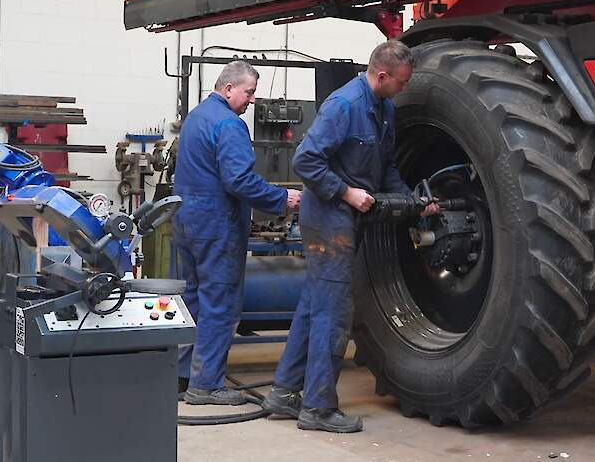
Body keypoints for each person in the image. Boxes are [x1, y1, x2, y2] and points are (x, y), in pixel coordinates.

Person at [263, 40, 439, 432]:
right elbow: (305, 161)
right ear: (381, 75)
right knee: (334, 313)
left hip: (347, 218)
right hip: (328, 218)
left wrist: (412, 201)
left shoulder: (384, 109)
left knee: (314, 305)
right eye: (401, 82)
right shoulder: (343, 106)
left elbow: (385, 166)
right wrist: (345, 192)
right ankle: (318, 409)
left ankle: (285, 392)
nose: (404, 89)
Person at [173, 60, 302, 405]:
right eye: (249, 92)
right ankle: (207, 386)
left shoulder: (196, 118)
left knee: (195, 299)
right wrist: (282, 198)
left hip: (187, 220)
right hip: (217, 224)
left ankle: (184, 377)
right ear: (229, 89)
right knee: (221, 304)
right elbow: (239, 180)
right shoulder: (229, 125)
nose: (251, 101)